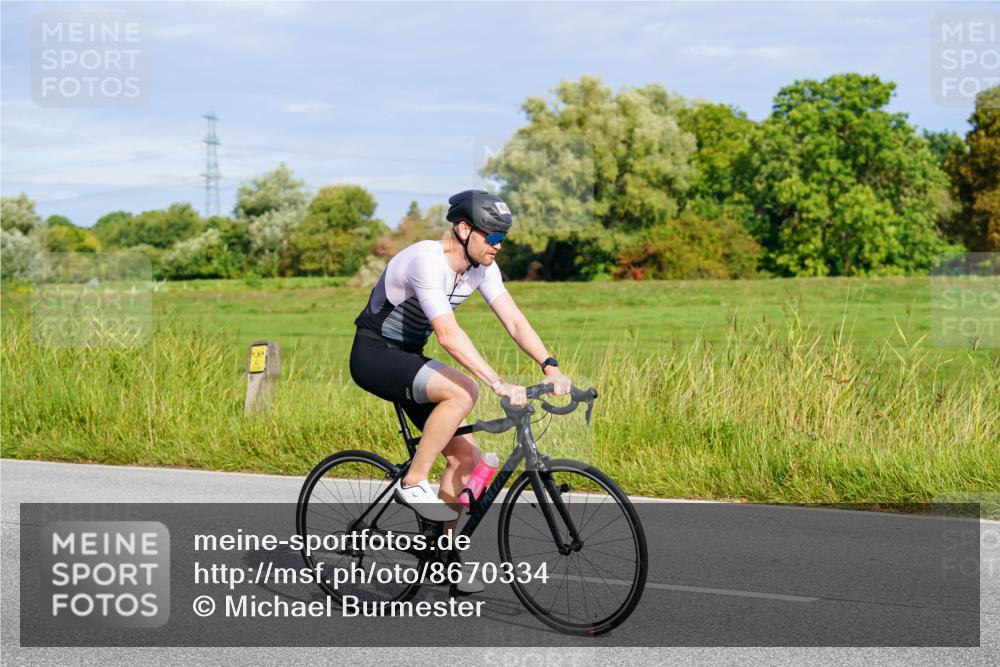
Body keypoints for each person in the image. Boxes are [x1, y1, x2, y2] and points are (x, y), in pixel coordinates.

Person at [350, 189, 572, 529]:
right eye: (493, 236)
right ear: (464, 229)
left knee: (467, 459)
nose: (498, 246)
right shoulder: (426, 260)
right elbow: (448, 334)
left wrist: (550, 366)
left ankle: (443, 550)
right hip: (374, 353)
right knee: (464, 390)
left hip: (408, 358)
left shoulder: (482, 269)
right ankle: (413, 481)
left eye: (503, 238)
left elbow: (514, 321)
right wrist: (497, 382)